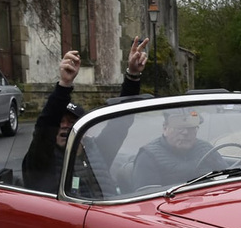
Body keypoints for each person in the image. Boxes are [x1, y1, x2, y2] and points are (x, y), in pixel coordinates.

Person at [22, 39, 148, 193]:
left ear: (83, 130)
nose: (65, 126)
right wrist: (64, 84)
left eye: (72, 122)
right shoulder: (42, 159)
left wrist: (133, 75)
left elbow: (120, 123)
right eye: (60, 122)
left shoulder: (97, 151)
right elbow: (46, 125)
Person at [131, 107, 241, 188]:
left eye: (191, 128)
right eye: (179, 128)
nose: (185, 133)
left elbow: (228, 179)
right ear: (165, 128)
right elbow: (148, 203)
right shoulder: (148, 156)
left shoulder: (206, 149)